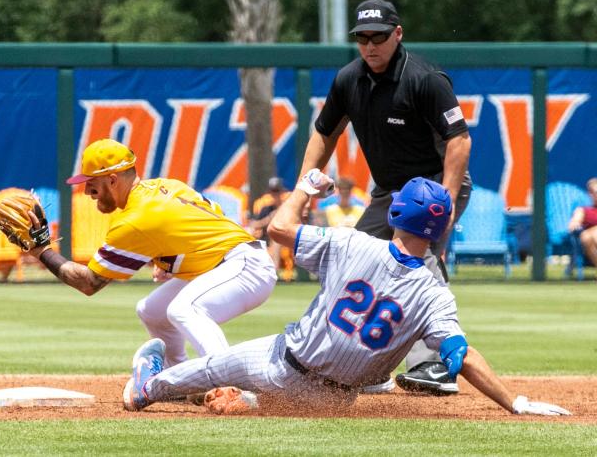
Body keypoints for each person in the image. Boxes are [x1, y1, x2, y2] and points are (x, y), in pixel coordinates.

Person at [122, 171, 571, 418]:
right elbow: (461, 356)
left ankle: (147, 387)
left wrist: (305, 190)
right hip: (336, 401)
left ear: (395, 212)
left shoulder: (352, 242)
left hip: (281, 363)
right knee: (276, 398)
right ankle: (250, 403)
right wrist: (515, 402)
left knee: (202, 371)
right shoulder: (436, 296)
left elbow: (278, 229)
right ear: (441, 227)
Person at [298, 0, 472, 395]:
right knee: (355, 260)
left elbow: (459, 140)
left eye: (378, 36)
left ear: (398, 33)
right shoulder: (348, 79)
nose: (370, 45)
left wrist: (443, 201)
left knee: (417, 261)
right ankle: (364, 365)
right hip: (390, 192)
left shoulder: (425, 79)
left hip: (434, 185)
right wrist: (306, 182)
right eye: (362, 38)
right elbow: (325, 132)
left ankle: (435, 365)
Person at [26, 138, 277, 367]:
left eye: (92, 184)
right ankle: (178, 374)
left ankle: (227, 380)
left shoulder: (135, 219)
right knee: (152, 310)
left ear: (113, 180)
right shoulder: (166, 186)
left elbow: (89, 283)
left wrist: (42, 251)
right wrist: (171, 254)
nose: (87, 192)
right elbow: (214, 214)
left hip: (246, 267)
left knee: (184, 309)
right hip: (229, 261)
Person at [247, 177, 295, 282]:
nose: (275, 195)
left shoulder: (288, 207)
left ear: (282, 191)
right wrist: (269, 218)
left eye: (277, 191)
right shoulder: (267, 208)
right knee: (249, 233)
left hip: (286, 241)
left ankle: (274, 273)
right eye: (273, 192)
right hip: (267, 240)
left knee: (276, 241)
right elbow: (254, 224)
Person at [568, 177, 597, 273]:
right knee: (585, 236)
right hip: (589, 242)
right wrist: (575, 223)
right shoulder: (583, 210)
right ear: (590, 194)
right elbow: (573, 224)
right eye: (594, 192)